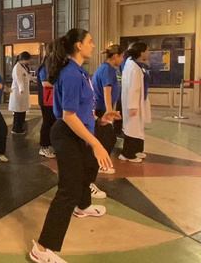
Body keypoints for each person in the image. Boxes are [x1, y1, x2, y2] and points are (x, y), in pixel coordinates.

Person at [30, 29, 116, 263]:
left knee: (87, 170)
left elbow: (81, 108)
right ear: (78, 45)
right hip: (67, 134)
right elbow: (68, 115)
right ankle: (42, 247)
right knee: (68, 188)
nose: (93, 44)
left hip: (80, 131)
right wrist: (96, 143)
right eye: (90, 41)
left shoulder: (80, 72)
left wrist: (101, 118)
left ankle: (83, 206)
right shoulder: (70, 74)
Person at [92, 44, 123, 174]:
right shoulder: (108, 70)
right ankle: (100, 164)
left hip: (102, 108)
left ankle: (100, 163)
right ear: (115, 56)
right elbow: (107, 91)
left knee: (105, 138)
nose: (122, 59)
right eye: (121, 56)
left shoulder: (107, 68)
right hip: (101, 109)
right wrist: (109, 111)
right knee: (108, 139)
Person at [120, 42, 151, 163]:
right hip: (133, 104)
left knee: (137, 127)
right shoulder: (133, 67)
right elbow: (133, 88)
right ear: (141, 52)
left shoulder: (134, 65)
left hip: (136, 102)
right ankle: (128, 154)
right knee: (132, 128)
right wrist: (132, 106)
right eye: (147, 50)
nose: (149, 53)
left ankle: (137, 150)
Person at [37, 43, 56, 159]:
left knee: (52, 122)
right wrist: (60, 85)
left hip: (52, 99)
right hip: (46, 100)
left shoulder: (51, 66)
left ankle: (50, 144)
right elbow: (45, 83)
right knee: (47, 122)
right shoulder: (44, 67)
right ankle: (44, 147)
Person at [9, 51, 32, 134]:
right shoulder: (17, 67)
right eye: (28, 59)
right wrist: (21, 89)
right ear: (23, 59)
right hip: (18, 93)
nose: (29, 61)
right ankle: (16, 129)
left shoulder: (23, 66)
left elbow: (27, 77)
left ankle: (20, 127)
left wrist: (33, 79)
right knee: (18, 112)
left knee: (22, 111)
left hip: (22, 93)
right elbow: (19, 79)